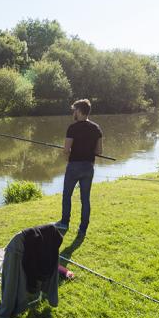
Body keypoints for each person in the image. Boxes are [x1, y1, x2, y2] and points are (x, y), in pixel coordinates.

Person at [55, 99, 103, 237]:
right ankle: (83, 229)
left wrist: (67, 156)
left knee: (67, 196)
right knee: (85, 199)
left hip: (74, 167)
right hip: (88, 167)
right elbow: (99, 151)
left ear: (80, 111)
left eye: (74, 110)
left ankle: (64, 223)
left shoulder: (72, 128)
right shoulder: (97, 128)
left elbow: (66, 150)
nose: (73, 113)